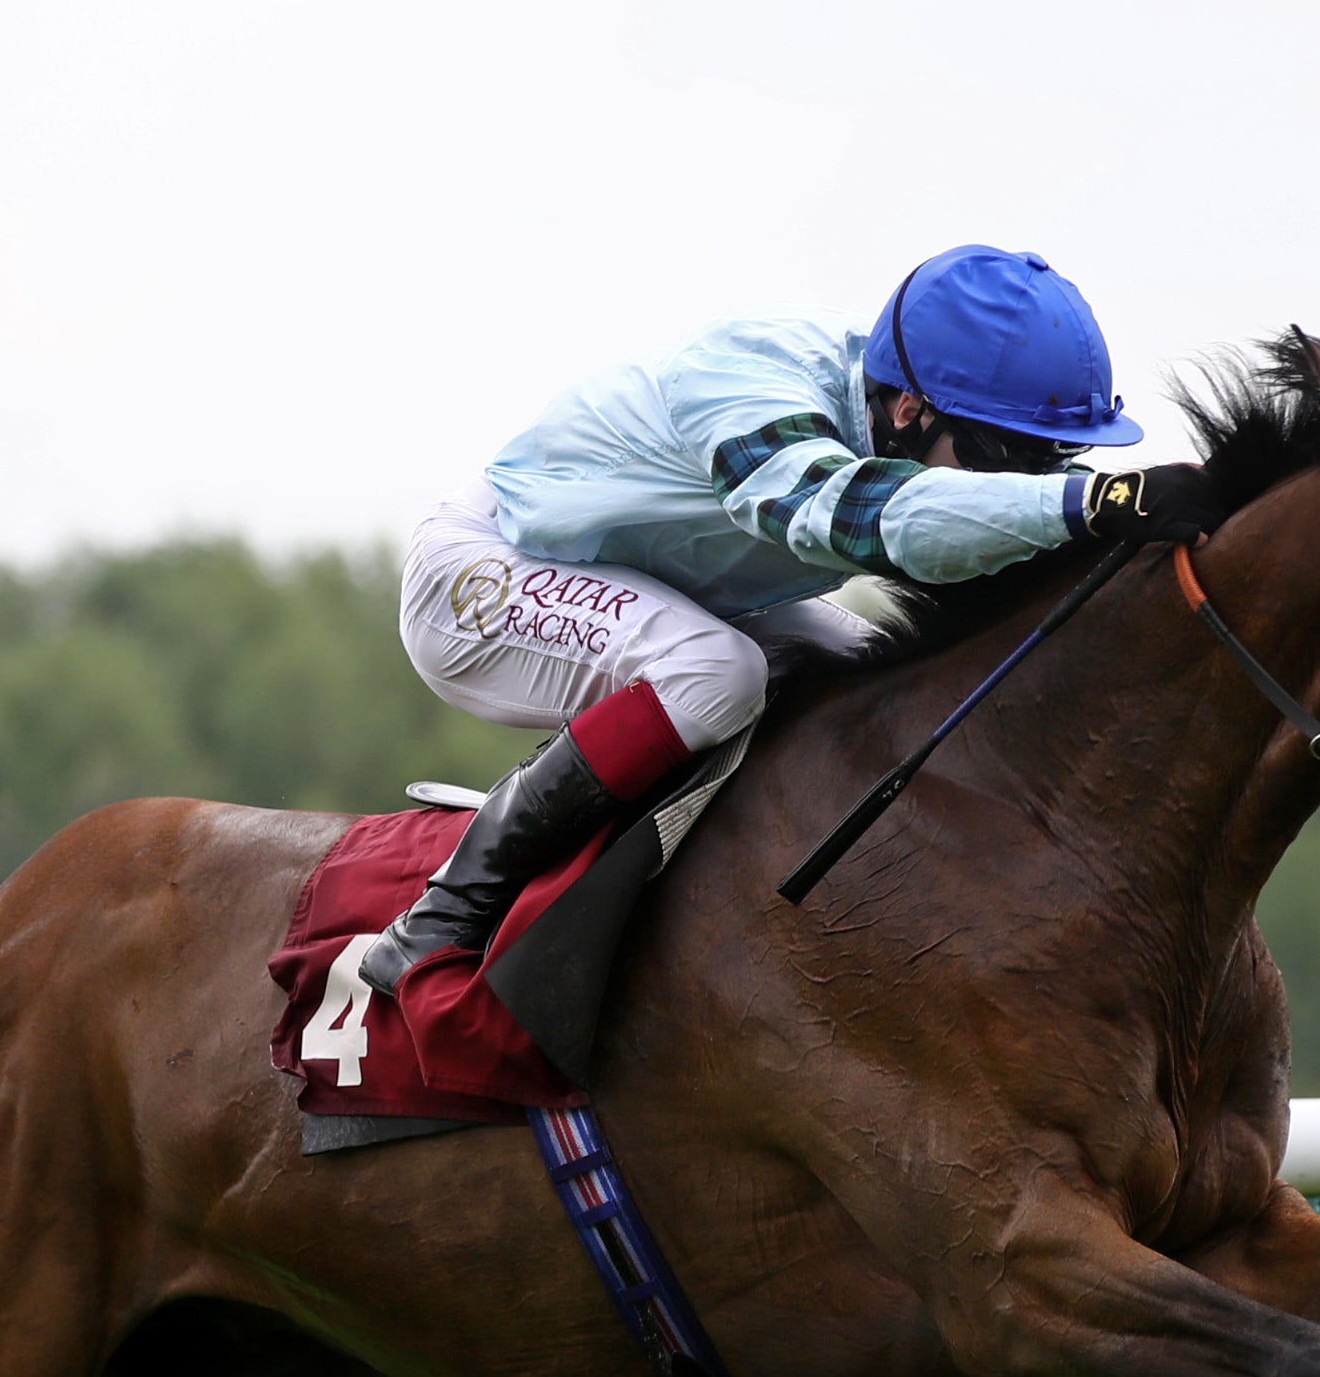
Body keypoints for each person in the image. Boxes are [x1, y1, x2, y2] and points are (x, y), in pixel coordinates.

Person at [362, 244, 1223, 1000]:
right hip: (482, 574)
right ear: (909, 411)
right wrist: (1092, 501)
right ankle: (447, 911)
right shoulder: (745, 384)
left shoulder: (904, 397)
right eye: (1009, 456)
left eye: (1054, 459)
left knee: (874, 675)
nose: (1025, 482)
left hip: (658, 587)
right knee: (717, 674)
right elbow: (853, 516)